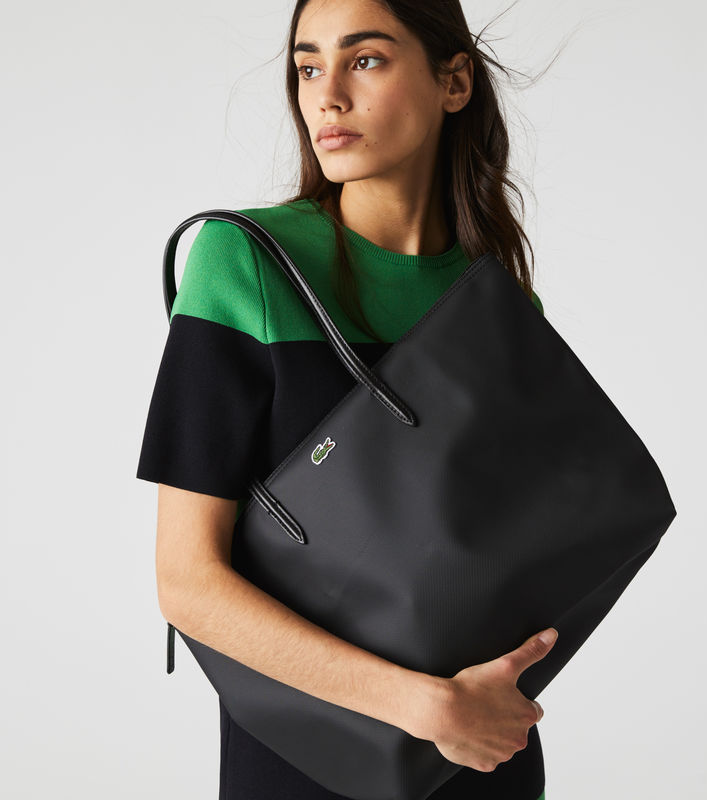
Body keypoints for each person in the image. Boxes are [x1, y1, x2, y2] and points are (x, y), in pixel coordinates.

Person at [136, 1, 558, 798]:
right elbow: (187, 581)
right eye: (307, 67)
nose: (326, 95)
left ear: (455, 81)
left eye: (364, 60)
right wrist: (424, 705)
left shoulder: (501, 303)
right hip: (306, 764)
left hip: (483, 755)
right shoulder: (246, 260)